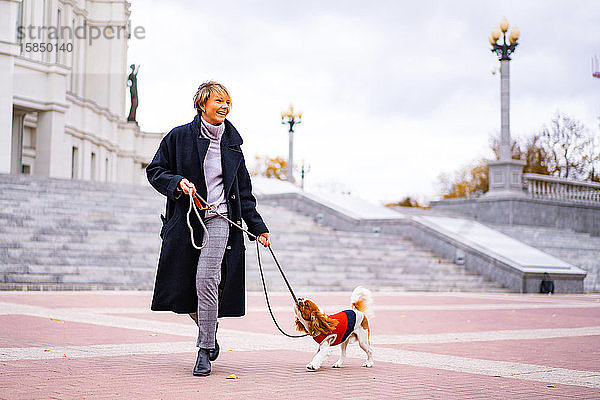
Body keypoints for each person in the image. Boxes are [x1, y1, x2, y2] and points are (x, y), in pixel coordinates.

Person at [146, 81, 270, 376]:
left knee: (206, 279)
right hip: (187, 220)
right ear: (201, 103)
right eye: (219, 101)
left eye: (228, 102)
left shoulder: (232, 145)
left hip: (220, 220)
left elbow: (244, 191)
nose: (225, 106)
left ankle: (203, 349)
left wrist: (259, 227)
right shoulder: (179, 137)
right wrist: (177, 183)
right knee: (185, 288)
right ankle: (209, 325)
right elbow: (155, 171)